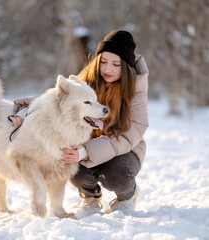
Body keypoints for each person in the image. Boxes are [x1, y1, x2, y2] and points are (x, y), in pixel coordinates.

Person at [12, 29, 149, 214]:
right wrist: (24, 110)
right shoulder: (89, 80)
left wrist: (86, 151)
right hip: (88, 146)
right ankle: (91, 197)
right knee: (70, 163)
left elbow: (130, 134)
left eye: (116, 64)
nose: (108, 69)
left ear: (126, 66)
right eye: (104, 62)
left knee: (118, 174)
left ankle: (128, 196)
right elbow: (58, 99)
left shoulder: (136, 90)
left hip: (123, 149)